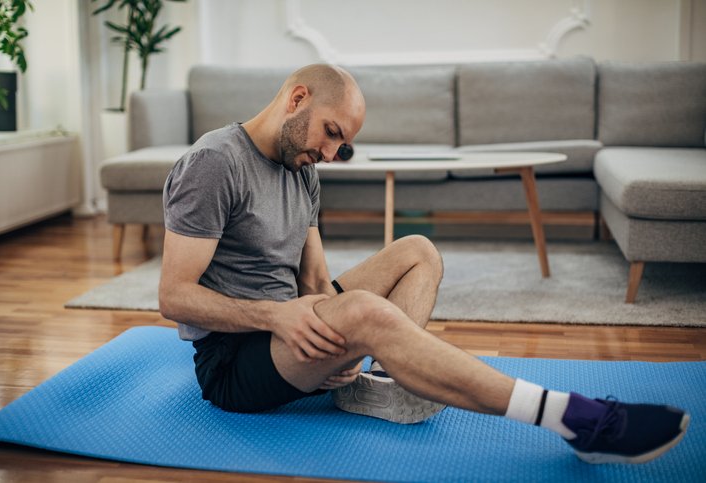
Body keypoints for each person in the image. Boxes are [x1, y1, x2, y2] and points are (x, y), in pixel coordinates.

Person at [159, 63, 689, 465]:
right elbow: (174, 296)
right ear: (297, 98)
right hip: (234, 360)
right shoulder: (214, 163)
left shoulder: (302, 170)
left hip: (289, 326)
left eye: (344, 144)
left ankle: (383, 382)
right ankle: (574, 418)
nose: (332, 151)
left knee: (418, 250)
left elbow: (315, 280)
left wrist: (331, 341)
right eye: (332, 132)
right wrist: (283, 318)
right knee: (366, 312)